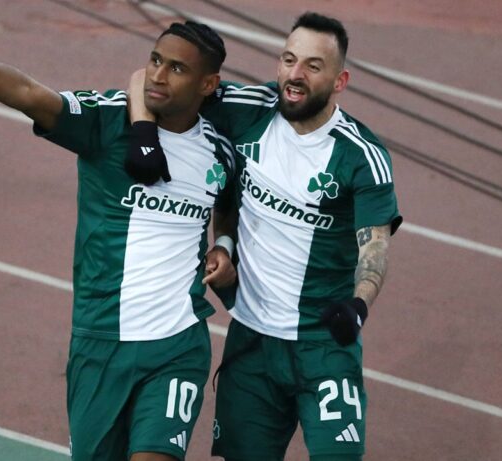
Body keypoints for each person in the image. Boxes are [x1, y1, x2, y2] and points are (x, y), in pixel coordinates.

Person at [0, 12, 237, 461]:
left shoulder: (219, 150)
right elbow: (28, 94)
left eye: (177, 68)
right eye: (155, 60)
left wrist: (224, 244)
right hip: (99, 342)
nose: (158, 75)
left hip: (177, 343)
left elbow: (227, 203)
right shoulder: (105, 121)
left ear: (208, 84)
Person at [128, 11, 402, 461]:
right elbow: (148, 82)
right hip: (252, 341)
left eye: (313, 66)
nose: (295, 75)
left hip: (323, 345)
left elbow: (374, 244)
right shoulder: (247, 108)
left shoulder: (361, 156)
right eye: (289, 60)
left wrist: (358, 305)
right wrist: (143, 131)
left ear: (340, 81)